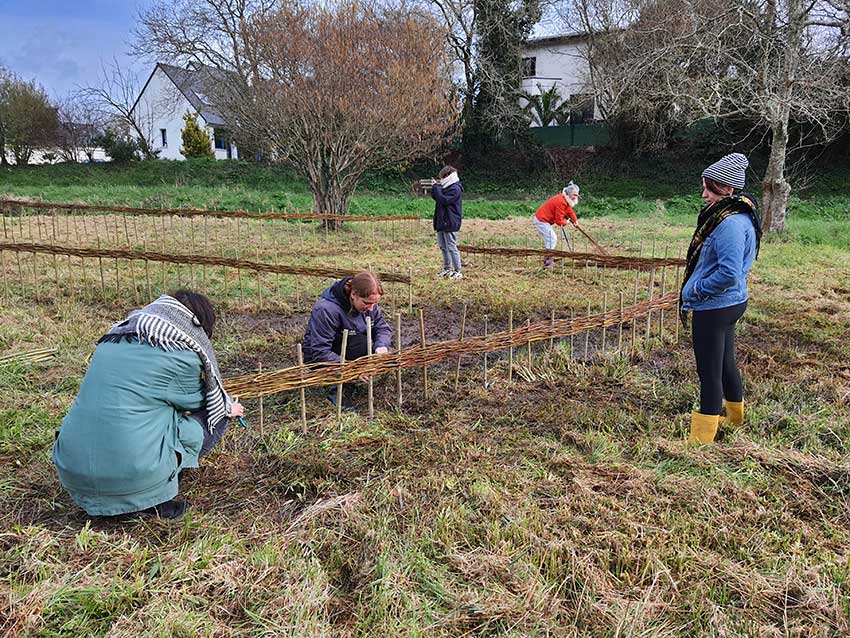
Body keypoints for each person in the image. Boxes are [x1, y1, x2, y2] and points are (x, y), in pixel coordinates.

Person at [52, 290, 244, 519]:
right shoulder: (179, 354)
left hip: (73, 470)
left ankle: (120, 487)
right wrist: (227, 406)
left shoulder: (112, 340)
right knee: (214, 415)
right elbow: (198, 401)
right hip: (126, 475)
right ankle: (153, 499)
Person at [680, 153, 762, 444]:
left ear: (727, 189)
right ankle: (735, 418)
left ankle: (701, 440)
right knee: (726, 363)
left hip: (715, 305)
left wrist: (696, 289)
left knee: (709, 372)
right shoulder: (742, 214)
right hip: (732, 302)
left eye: (710, 188)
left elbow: (728, 273)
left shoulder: (728, 224)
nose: (704, 194)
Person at [302, 271, 392, 408]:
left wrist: (381, 346)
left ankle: (354, 378)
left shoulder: (369, 305)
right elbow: (319, 351)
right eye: (367, 303)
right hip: (324, 359)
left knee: (365, 343)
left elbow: (382, 327)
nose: (371, 308)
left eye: (375, 303)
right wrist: (352, 368)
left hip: (350, 347)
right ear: (353, 294)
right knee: (359, 343)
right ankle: (337, 387)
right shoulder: (326, 310)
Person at [533, 181, 581, 269]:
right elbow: (558, 221)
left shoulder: (565, 200)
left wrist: (575, 221)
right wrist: (566, 222)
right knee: (552, 238)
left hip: (545, 220)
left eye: (577, 195)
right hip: (541, 220)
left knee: (550, 240)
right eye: (574, 195)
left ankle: (548, 260)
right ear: (568, 194)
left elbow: (569, 211)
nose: (576, 197)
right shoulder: (561, 202)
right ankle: (548, 263)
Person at [431, 165, 464, 279]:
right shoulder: (446, 187)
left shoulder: (455, 188)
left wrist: (436, 187)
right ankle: (447, 269)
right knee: (443, 247)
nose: (441, 180)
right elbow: (437, 198)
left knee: (451, 247)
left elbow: (444, 200)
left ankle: (458, 271)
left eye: (442, 177)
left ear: (447, 176)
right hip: (441, 221)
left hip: (450, 222)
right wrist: (435, 188)